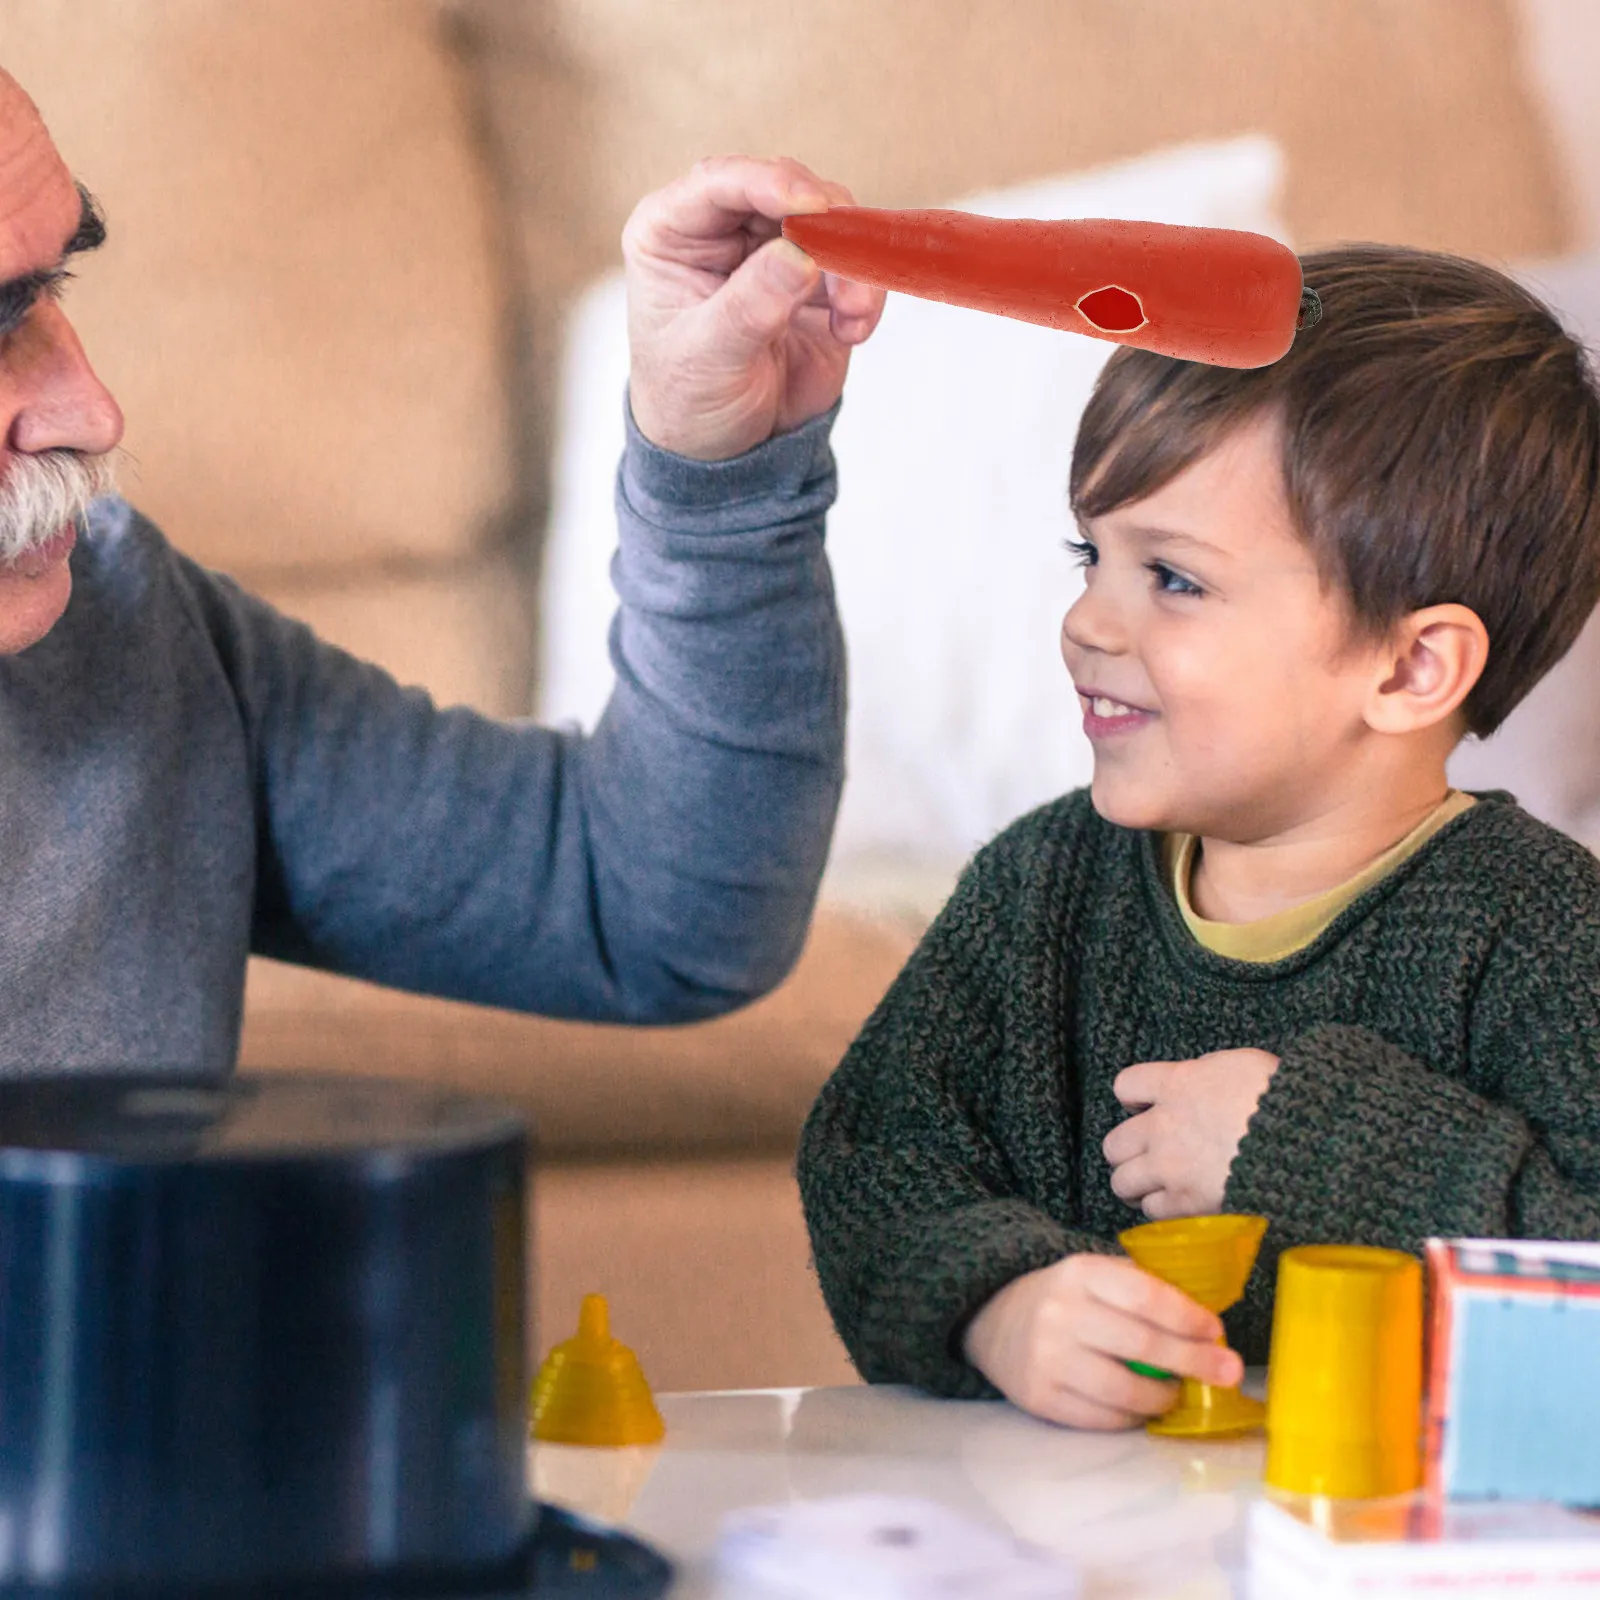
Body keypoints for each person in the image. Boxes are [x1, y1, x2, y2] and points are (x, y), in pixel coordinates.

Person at [798, 243, 1600, 1431]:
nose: (1087, 622)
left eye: (1173, 578)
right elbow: (874, 1152)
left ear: (1409, 668)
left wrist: (1304, 1146)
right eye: (1092, 555)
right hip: (1077, 1518)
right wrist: (997, 1303)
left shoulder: (1545, 936)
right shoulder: (1042, 884)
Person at [0, 66, 885, 1065]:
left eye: (46, 292)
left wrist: (718, 487)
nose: (92, 415)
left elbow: (650, 908)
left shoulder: (127, 633)